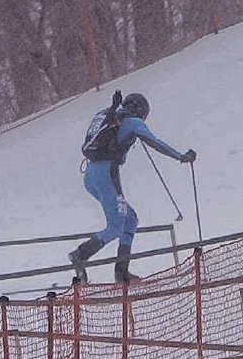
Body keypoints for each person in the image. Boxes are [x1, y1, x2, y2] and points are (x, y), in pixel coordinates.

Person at [69, 91, 194, 284]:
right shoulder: (133, 122)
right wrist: (181, 157)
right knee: (116, 226)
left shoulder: (109, 116)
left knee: (130, 219)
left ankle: (122, 272)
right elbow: (156, 143)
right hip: (106, 175)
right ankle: (80, 254)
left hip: (92, 175)